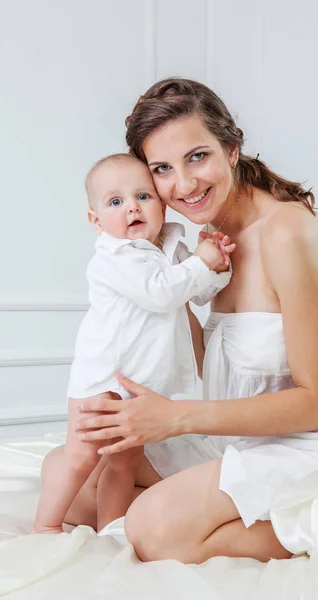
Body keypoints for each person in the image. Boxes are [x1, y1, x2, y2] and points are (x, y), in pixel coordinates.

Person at [69, 78, 318, 563]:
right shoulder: (213, 236)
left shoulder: (285, 235)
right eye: (162, 169)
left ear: (232, 148)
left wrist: (175, 419)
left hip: (313, 443)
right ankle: (195, 514)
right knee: (77, 482)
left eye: (197, 157)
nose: (184, 185)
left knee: (151, 527)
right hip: (241, 435)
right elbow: (220, 357)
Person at [32, 152, 234, 534]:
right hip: (103, 380)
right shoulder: (114, 257)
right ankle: (44, 525)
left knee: (124, 462)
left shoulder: (170, 248)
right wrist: (200, 263)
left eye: (143, 196)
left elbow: (197, 291)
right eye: (115, 202)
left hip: (140, 383)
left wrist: (218, 268)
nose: (132, 208)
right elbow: (160, 293)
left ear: (161, 203)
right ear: (96, 221)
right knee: (81, 455)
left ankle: (112, 529)